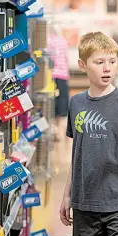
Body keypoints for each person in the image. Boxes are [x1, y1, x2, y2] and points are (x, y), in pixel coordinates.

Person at [59, 32, 118, 236]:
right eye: (99, 62)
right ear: (83, 65)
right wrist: (68, 195)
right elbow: (77, 156)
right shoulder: (76, 103)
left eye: (112, 61)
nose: (107, 68)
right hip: (84, 206)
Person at [47, 24, 70, 161]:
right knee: (62, 106)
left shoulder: (48, 41)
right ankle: (60, 132)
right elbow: (66, 59)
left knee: (51, 103)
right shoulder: (63, 42)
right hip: (63, 76)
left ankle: (53, 130)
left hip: (50, 76)